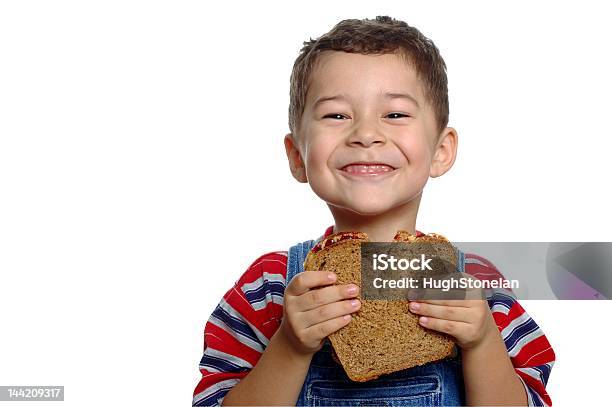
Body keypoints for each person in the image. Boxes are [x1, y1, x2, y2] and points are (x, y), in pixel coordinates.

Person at [192, 15, 555, 406]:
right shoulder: (265, 288)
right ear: (298, 156)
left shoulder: (477, 286)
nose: (366, 134)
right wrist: (291, 346)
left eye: (395, 114)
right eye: (336, 115)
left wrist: (482, 341)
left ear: (441, 151)